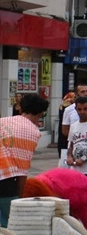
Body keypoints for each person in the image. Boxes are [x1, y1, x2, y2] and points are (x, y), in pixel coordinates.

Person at [1, 94, 48, 226]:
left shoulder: (3, 121)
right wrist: (19, 200)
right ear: (40, 113)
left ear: (21, 109)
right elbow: (22, 172)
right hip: (4, 179)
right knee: (10, 223)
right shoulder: (32, 132)